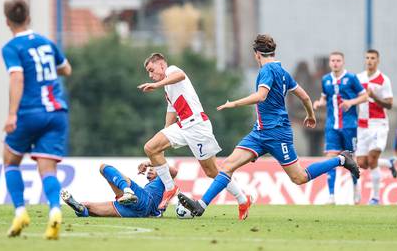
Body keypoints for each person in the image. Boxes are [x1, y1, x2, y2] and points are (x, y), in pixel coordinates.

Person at [177, 34, 360, 217]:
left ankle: (342, 159)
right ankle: (201, 205)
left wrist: (233, 103)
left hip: (278, 133)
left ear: (257, 54)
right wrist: (310, 115)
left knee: (299, 177)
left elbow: (261, 96)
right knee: (227, 166)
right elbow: (304, 96)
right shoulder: (283, 72)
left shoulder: (267, 71)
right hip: (260, 132)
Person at [137, 53, 251, 220]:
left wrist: (157, 85)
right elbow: (171, 111)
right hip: (183, 126)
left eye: (151, 70)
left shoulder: (172, 71)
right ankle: (170, 188)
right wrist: (163, 139)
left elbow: (180, 75)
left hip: (197, 125)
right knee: (151, 147)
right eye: (148, 72)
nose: (150, 75)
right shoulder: (168, 88)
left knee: (212, 172)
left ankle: (243, 199)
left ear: (161, 65)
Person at [1, 0, 72, 239]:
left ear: (7, 21)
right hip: (57, 113)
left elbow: (17, 78)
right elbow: (67, 69)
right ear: (29, 18)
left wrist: (12, 114)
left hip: (30, 112)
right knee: (47, 167)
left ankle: (20, 211)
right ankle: (54, 211)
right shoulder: (47, 43)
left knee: (10, 160)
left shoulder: (11, 48)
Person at [313, 52, 368, 204]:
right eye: (333, 60)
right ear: (330, 63)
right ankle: (331, 196)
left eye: (338, 60)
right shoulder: (326, 79)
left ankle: (356, 189)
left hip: (350, 126)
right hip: (331, 126)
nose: (335, 63)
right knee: (330, 157)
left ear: (343, 62)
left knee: (351, 158)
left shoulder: (351, 78)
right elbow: (325, 97)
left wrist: (351, 102)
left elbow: (364, 96)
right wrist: (319, 103)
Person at [61, 162, 177, 218]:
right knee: (87, 206)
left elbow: (174, 171)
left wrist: (149, 163)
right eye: (149, 169)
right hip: (135, 212)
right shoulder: (150, 186)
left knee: (104, 168)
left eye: (154, 169)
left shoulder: (163, 179)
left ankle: (127, 190)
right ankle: (80, 210)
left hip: (143, 201)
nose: (150, 170)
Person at [355, 49, 395, 205]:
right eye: (367, 58)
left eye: (373, 58)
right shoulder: (359, 78)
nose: (369, 60)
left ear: (378, 61)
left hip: (378, 124)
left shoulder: (383, 80)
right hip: (362, 125)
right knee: (362, 163)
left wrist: (374, 96)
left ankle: (375, 198)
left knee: (372, 159)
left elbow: (390, 104)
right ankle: (389, 163)